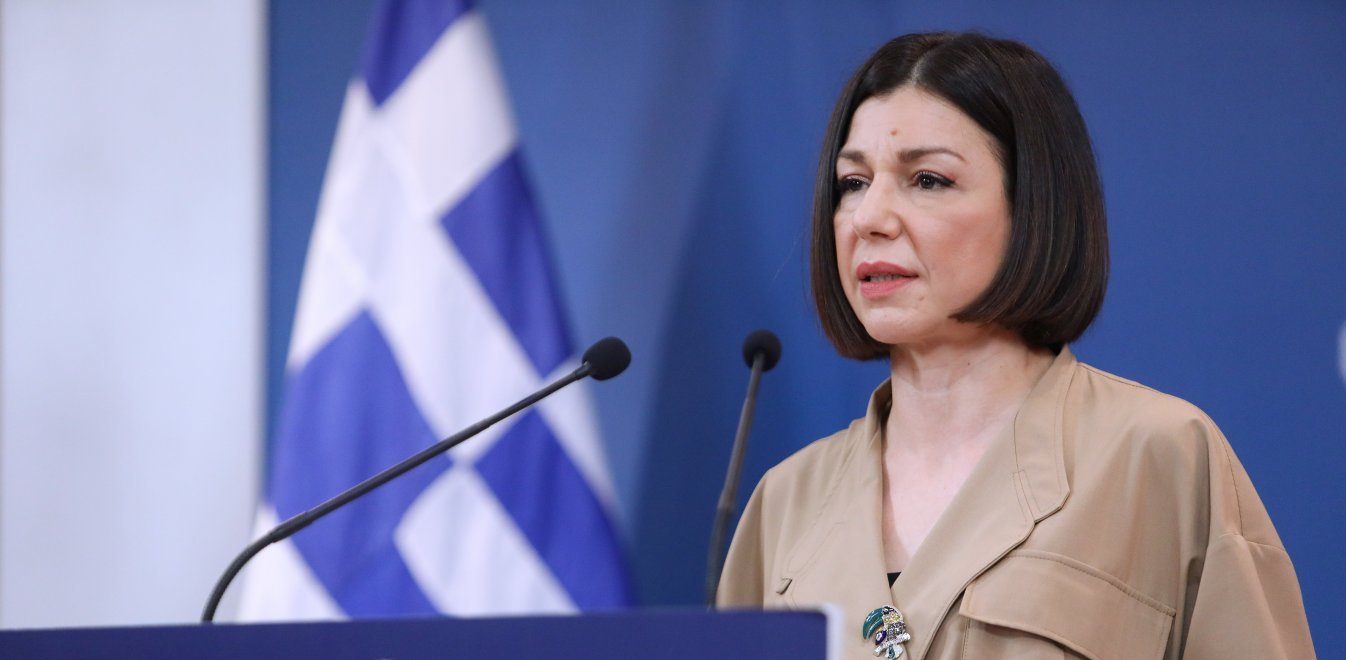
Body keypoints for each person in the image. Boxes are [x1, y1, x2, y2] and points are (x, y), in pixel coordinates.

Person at [716, 32, 1315, 659]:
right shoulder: (784, 500)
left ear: (1032, 207)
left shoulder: (1161, 456)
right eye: (853, 182)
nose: (869, 217)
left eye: (927, 179)